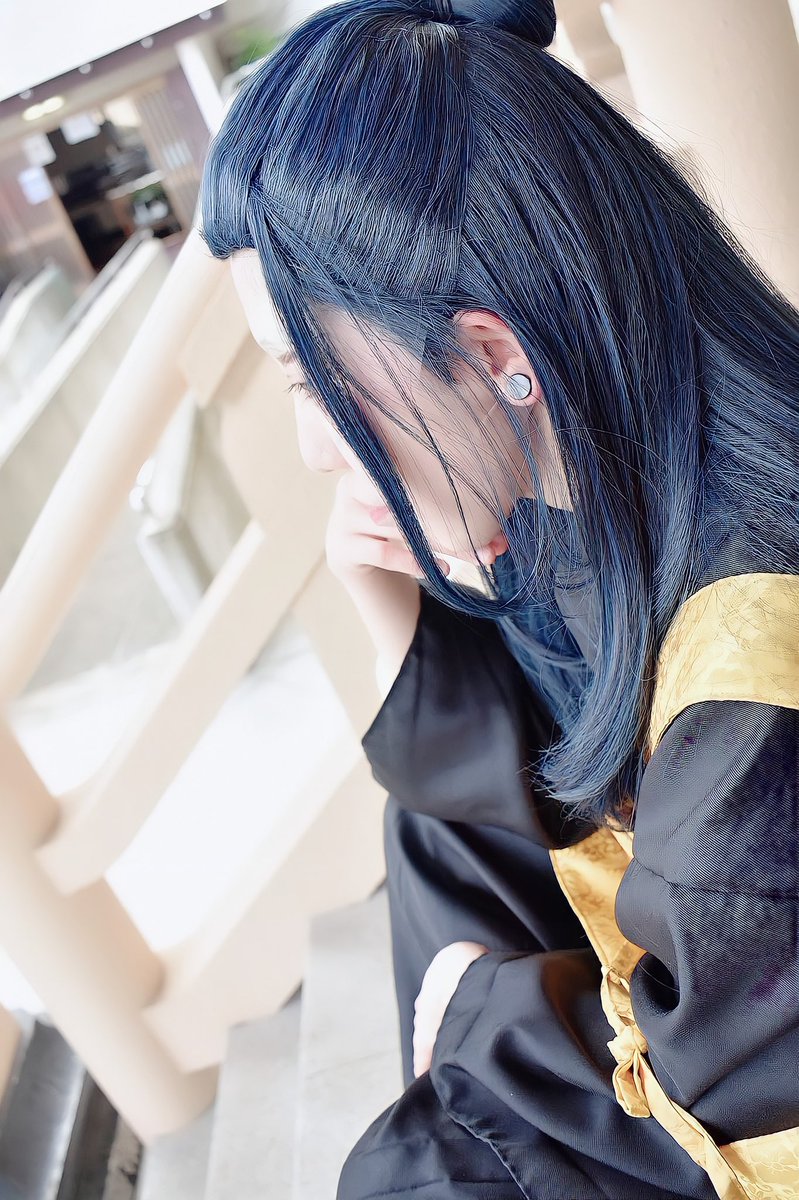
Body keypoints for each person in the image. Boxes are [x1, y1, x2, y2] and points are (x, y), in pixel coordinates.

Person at [197, 1, 799, 1196]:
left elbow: (732, 1123)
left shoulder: (753, 704)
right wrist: (394, 598)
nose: (314, 449)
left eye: (312, 384)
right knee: (441, 835)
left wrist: (478, 1012)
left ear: (490, 355)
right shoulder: (620, 489)